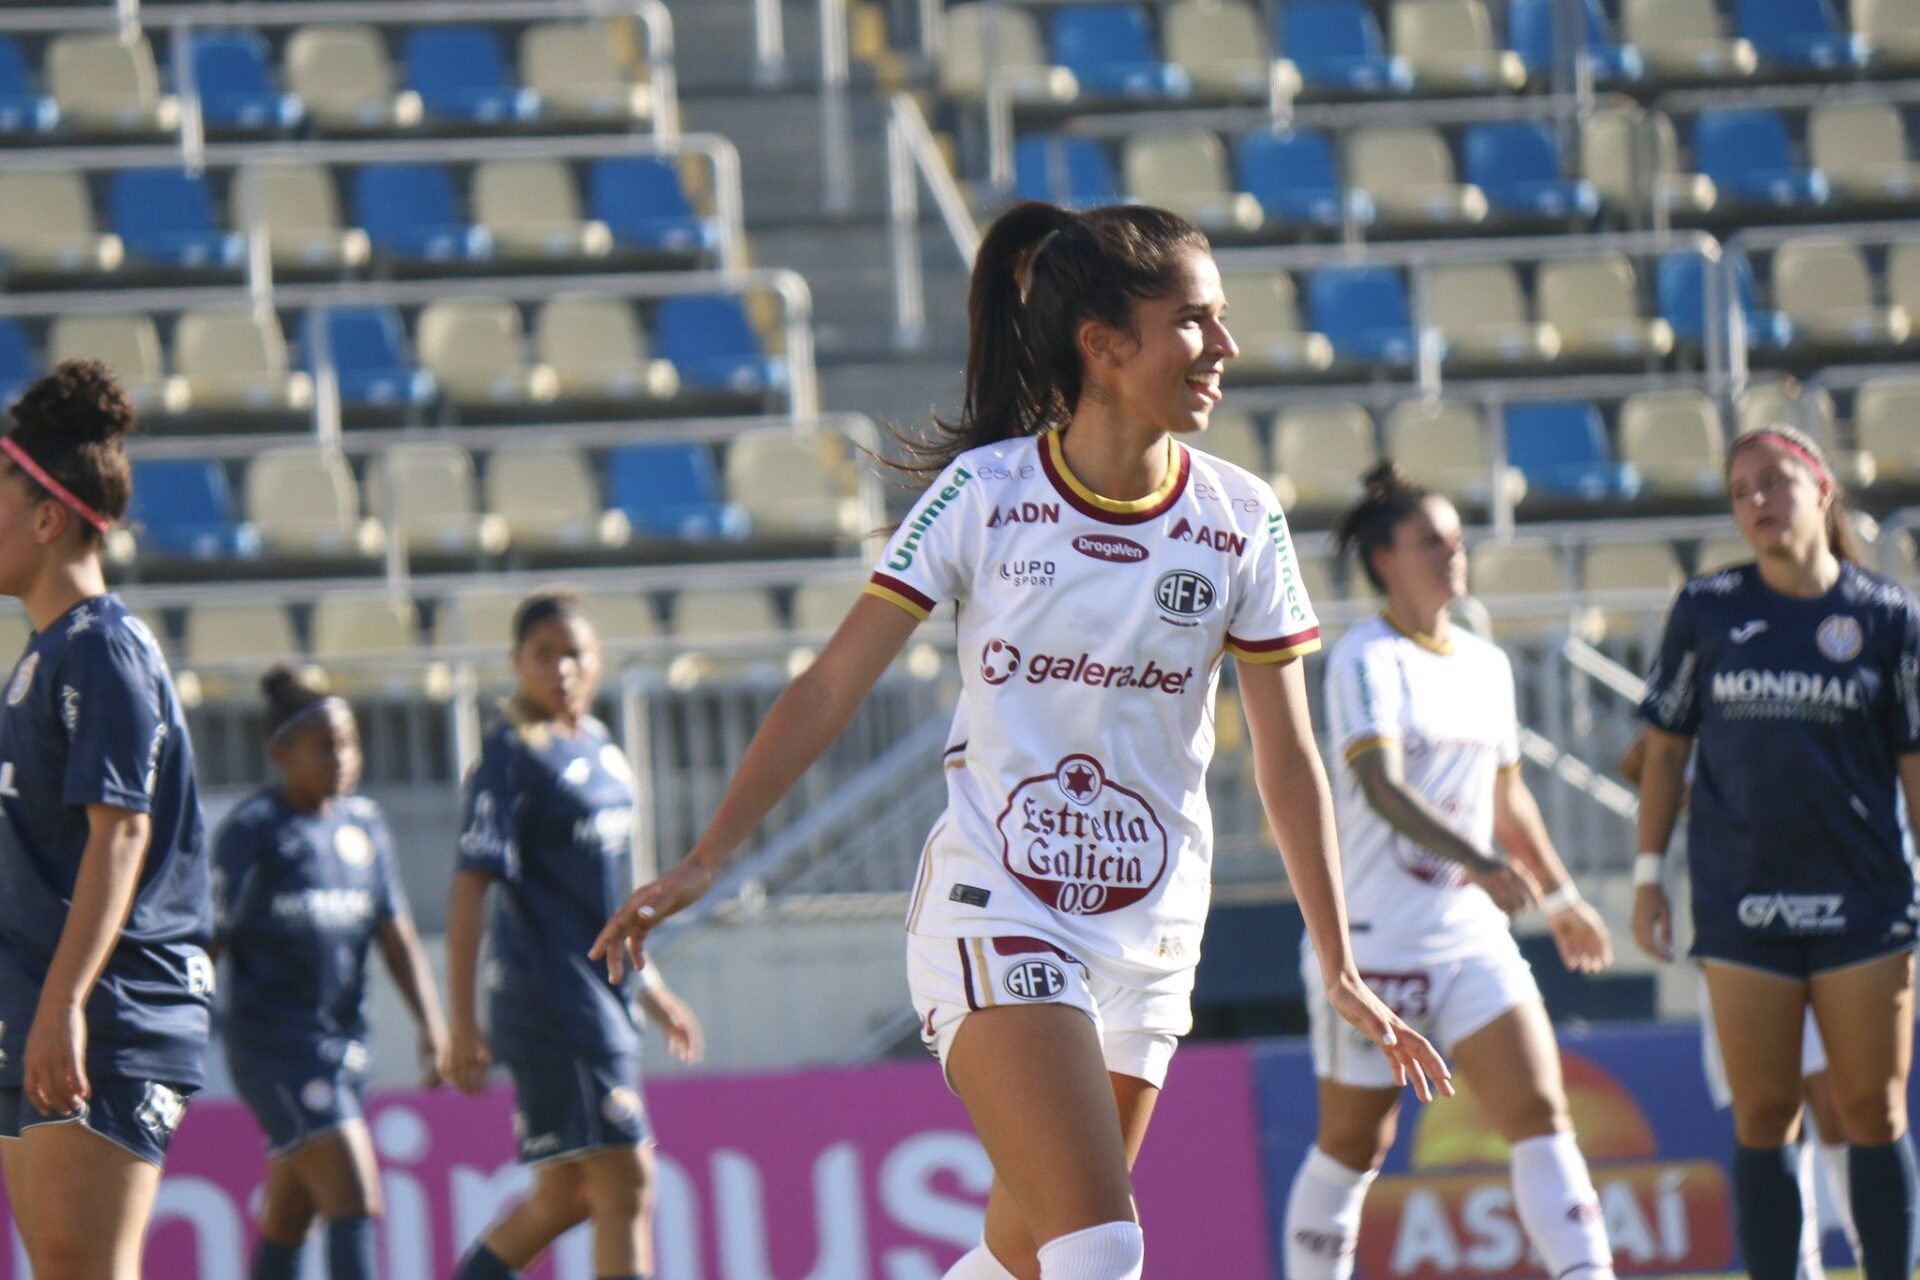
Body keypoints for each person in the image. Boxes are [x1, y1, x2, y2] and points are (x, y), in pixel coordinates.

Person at [590, 200, 1450, 1280]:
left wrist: (1340, 962)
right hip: (1000, 908)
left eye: (1222, 320)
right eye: (1195, 320)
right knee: (1102, 1244)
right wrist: (710, 853)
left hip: (1152, 932)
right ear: (1102, 344)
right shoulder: (984, 494)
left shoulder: (1241, 517)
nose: (1224, 346)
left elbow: (1286, 759)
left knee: (1026, 1253)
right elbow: (828, 685)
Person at [1280, 461, 1618, 1280]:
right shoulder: (1366, 656)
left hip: (1467, 932)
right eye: (1431, 540)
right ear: (1384, 559)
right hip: (1372, 941)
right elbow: (1379, 785)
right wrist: (1479, 859)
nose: (1452, 554)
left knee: (1541, 1111)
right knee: (1357, 1143)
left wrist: (1563, 895)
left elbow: (1508, 800)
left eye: (1457, 540)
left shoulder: (1484, 662)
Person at [1634, 423, 1920, 1280]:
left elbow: (1914, 761)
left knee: (1872, 1108)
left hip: (1865, 901)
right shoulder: (1708, 608)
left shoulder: (1889, 616)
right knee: (1764, 1114)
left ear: (1822, 487)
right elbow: (1665, 751)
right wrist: (1649, 877)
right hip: (1742, 899)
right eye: (1740, 490)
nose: (1756, 500)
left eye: (1774, 481)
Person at [0, 361, 212, 1278]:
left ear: (47, 518)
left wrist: (63, 1006)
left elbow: (118, 836)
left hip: (108, 1010)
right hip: (46, 1006)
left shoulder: (102, 651)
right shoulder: (47, 654)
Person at [446, 589, 704, 1280]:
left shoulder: (604, 752)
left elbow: (608, 901)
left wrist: (653, 991)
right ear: (517, 663)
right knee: (627, 1184)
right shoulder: (508, 758)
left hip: (605, 997)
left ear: (597, 662)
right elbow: (471, 888)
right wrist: (461, 1023)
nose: (560, 668)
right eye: (543, 654)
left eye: (574, 653)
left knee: (565, 1196)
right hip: (553, 1001)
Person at [212, 665, 448, 1280]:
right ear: (281, 753)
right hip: (273, 1049)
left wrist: (433, 1023)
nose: (342, 758)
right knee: (354, 1194)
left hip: (345, 1045)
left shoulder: (364, 825)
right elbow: (209, 937)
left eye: (350, 743)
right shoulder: (254, 833)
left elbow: (394, 936)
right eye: (326, 745)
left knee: (290, 1215)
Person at [1621, 732, 1862, 1278]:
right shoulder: (1714, 660)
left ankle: (1881, 1256)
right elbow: (1645, 758)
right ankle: (1798, 1271)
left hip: (1836, 909)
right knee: (1770, 1112)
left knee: (1845, 1107)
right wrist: (1712, 800)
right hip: (1738, 918)